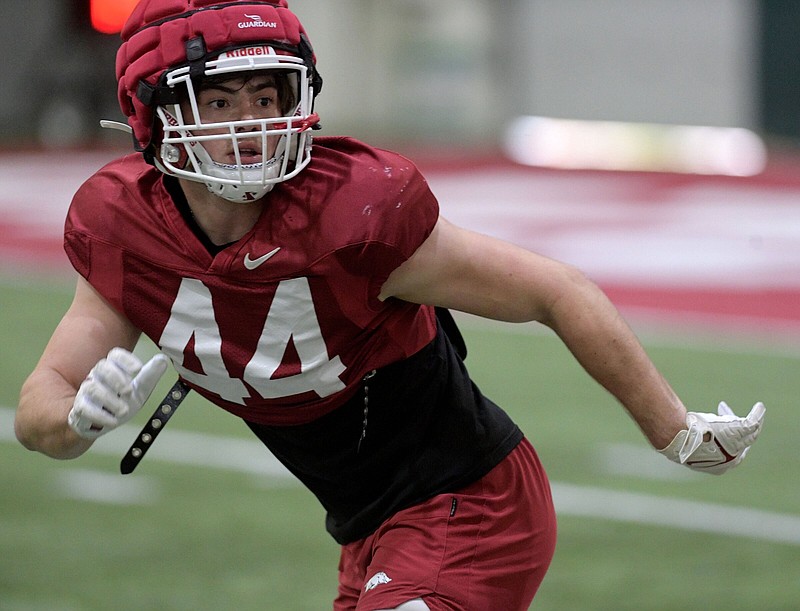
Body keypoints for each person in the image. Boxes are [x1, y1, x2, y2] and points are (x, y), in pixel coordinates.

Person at [14, 1, 766, 609]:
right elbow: (36, 413)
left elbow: (554, 288)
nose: (249, 123)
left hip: (472, 504)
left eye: (265, 95)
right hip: (370, 529)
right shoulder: (125, 229)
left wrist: (675, 430)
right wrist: (78, 417)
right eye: (217, 99)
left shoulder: (353, 214)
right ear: (154, 109)